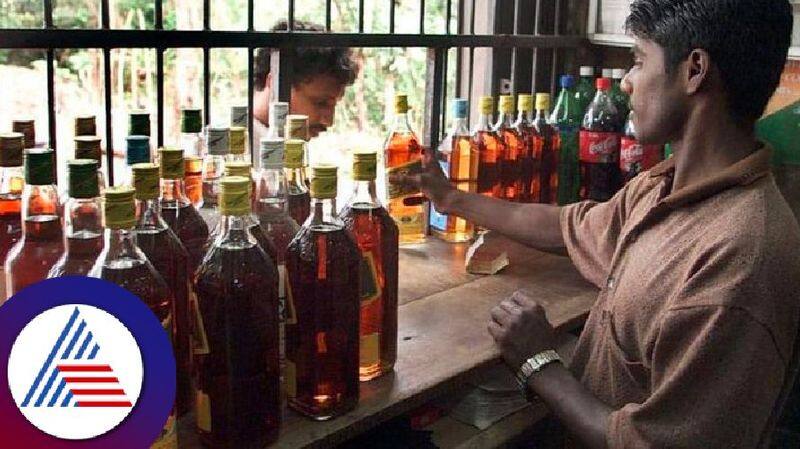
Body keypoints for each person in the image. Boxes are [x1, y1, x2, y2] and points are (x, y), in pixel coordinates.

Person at [392, 0, 800, 447]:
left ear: (695, 70)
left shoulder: (739, 259)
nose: (626, 82)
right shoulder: (662, 189)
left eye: (639, 61)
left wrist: (538, 362)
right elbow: (564, 225)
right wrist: (450, 198)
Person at [252, 20, 359, 142]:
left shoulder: (294, 140)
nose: (329, 121)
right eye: (321, 103)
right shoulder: (235, 149)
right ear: (276, 84)